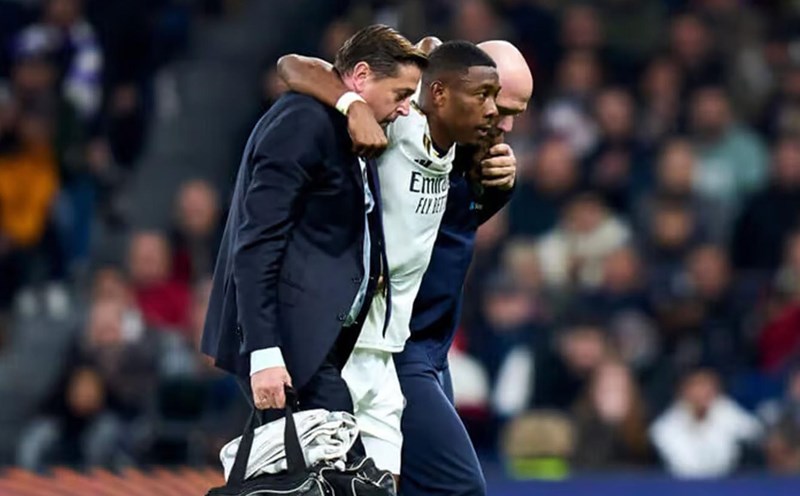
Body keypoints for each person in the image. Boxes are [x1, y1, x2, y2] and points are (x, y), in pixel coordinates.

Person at [297, 38, 531, 495]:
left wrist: (500, 189)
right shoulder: (401, 121)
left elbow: (442, 236)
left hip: (430, 346)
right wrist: (352, 105)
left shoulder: (472, 157)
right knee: (459, 486)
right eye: (494, 102)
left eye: (515, 115)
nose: (500, 121)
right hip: (393, 346)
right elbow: (295, 67)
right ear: (447, 91)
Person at [201, 25, 426, 429]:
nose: (406, 108)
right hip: (288, 345)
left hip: (315, 343)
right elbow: (257, 242)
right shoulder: (303, 122)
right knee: (338, 473)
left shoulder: (351, 125)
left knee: (296, 484)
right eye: (401, 95)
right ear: (360, 77)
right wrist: (265, 353)